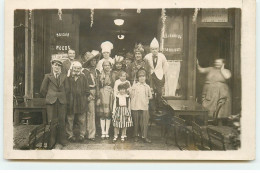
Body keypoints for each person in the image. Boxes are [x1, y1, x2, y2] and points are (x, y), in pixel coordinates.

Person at [40, 57, 69, 147]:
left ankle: (62, 140)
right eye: (55, 65)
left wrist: (61, 96)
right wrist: (50, 96)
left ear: (61, 67)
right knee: (52, 122)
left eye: (59, 66)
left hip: (61, 102)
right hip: (51, 102)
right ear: (52, 66)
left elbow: (67, 89)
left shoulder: (64, 76)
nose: (57, 67)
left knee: (62, 121)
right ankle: (52, 141)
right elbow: (42, 90)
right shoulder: (47, 76)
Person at [197, 58, 232, 125]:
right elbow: (200, 70)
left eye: (219, 62)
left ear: (223, 63)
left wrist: (222, 69)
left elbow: (227, 77)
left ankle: (219, 124)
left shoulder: (226, 71)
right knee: (207, 106)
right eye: (216, 62)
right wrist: (196, 63)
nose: (217, 64)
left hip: (221, 92)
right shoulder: (210, 69)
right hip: (209, 91)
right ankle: (209, 123)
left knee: (220, 108)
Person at [66, 61, 90, 142]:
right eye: (75, 68)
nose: (76, 70)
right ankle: (70, 135)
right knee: (70, 119)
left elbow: (87, 89)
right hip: (71, 101)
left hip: (81, 101)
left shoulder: (83, 77)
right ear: (72, 68)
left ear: (80, 69)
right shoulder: (68, 78)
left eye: (78, 68)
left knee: (82, 119)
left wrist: (85, 98)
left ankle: (82, 135)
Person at [144, 38, 168, 111]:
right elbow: (145, 66)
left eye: (156, 49)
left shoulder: (162, 56)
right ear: (150, 50)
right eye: (153, 49)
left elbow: (165, 65)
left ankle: (159, 108)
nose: (154, 50)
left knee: (159, 92)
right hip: (151, 75)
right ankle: (152, 108)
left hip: (159, 76)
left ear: (158, 49)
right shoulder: (147, 56)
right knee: (151, 92)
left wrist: (162, 73)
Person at [82, 50, 101, 141]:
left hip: (95, 92)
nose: (94, 62)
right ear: (88, 62)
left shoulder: (96, 71)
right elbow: (84, 84)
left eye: (95, 60)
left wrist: (98, 96)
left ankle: (91, 132)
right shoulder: (85, 71)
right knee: (88, 113)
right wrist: (88, 94)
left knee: (93, 113)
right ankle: (89, 134)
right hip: (87, 92)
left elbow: (97, 85)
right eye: (92, 60)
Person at [130, 69, 153, 143]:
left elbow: (151, 96)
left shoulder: (147, 86)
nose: (142, 78)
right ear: (138, 78)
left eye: (143, 76)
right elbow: (131, 96)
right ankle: (136, 135)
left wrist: (146, 98)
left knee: (144, 122)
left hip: (144, 106)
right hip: (135, 106)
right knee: (136, 121)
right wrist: (131, 90)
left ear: (145, 77)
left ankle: (144, 136)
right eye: (140, 77)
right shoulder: (135, 86)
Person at [97, 60, 116, 139]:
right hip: (102, 94)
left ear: (110, 66)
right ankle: (102, 132)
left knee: (108, 114)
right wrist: (98, 97)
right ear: (103, 66)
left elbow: (116, 85)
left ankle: (107, 131)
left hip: (110, 94)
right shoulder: (100, 75)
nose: (106, 67)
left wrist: (114, 94)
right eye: (105, 65)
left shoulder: (113, 74)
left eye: (108, 65)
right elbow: (98, 86)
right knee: (102, 114)